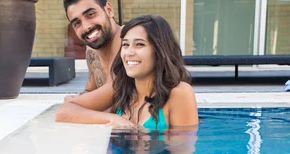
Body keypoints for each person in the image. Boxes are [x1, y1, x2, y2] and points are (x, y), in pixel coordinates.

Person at [55, 14, 198, 129]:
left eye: (139, 44)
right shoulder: (122, 90)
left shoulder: (179, 93)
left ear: (159, 51)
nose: (128, 52)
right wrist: (113, 119)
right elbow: (63, 112)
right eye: (125, 45)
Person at [61, 0, 122, 117]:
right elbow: (90, 90)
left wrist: (74, 104)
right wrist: (75, 98)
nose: (86, 26)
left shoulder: (126, 39)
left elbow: (114, 90)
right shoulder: (92, 51)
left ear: (109, 10)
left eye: (90, 15)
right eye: (77, 23)